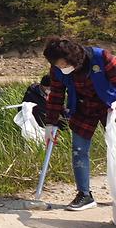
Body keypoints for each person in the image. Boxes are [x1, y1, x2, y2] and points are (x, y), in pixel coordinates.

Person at [42, 37, 116, 211]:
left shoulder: (101, 57)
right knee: (78, 149)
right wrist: (50, 123)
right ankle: (84, 195)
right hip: (83, 107)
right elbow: (57, 94)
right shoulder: (57, 70)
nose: (60, 68)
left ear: (72, 58)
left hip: (109, 106)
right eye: (57, 65)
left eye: (62, 64)